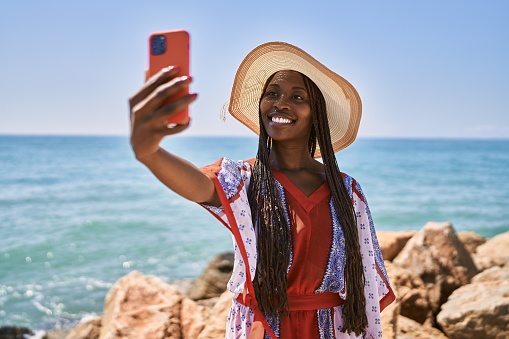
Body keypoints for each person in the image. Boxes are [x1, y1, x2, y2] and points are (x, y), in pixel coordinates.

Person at [129, 41, 395, 339]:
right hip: (263, 329)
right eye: (272, 94)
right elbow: (199, 185)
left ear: (316, 113)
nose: (281, 103)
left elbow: (367, 283)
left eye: (298, 96)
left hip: (331, 329)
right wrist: (150, 154)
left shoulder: (347, 191)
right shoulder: (244, 179)